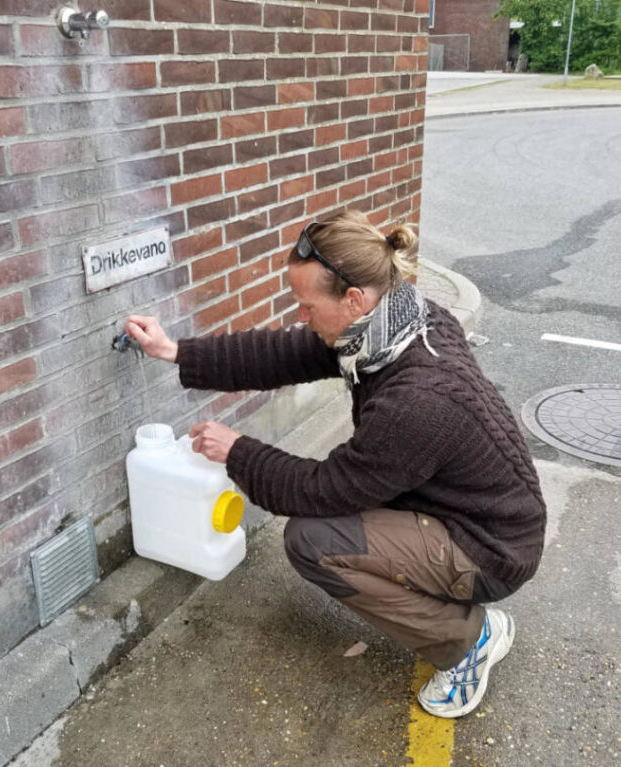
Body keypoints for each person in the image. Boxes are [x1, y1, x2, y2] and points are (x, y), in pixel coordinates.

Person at [125, 210, 546, 718]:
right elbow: (281, 353)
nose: (301, 316)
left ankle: (467, 641)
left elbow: (322, 491)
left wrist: (238, 452)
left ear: (352, 299)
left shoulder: (418, 400)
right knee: (336, 523)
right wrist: (176, 352)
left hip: (490, 547)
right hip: (464, 508)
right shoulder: (397, 323)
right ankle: (452, 614)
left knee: (314, 541)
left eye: (306, 305)